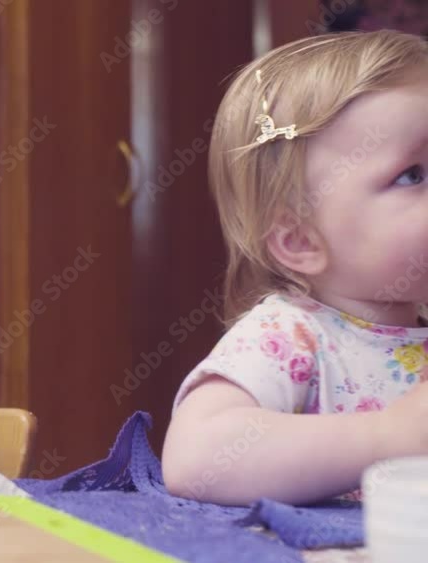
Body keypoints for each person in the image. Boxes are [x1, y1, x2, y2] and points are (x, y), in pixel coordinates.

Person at [162, 30, 428, 506]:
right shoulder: (291, 337)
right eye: (413, 174)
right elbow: (196, 458)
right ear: (301, 240)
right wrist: (389, 435)